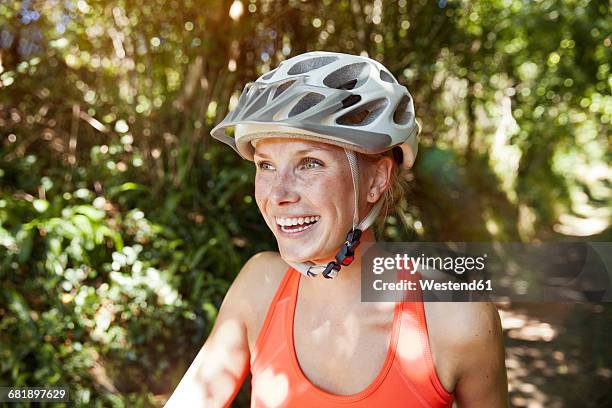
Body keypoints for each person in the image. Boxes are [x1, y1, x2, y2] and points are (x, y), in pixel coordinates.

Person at [165, 51, 508, 407]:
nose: (278, 194)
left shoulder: (458, 320)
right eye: (266, 165)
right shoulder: (259, 288)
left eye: (309, 163)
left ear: (376, 179)